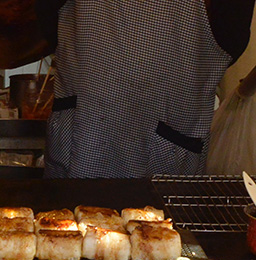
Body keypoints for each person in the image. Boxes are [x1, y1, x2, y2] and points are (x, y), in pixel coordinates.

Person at [36, 0, 255, 178]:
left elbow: (230, 37)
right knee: (67, 226)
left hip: (160, 153)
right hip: (83, 136)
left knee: (158, 228)